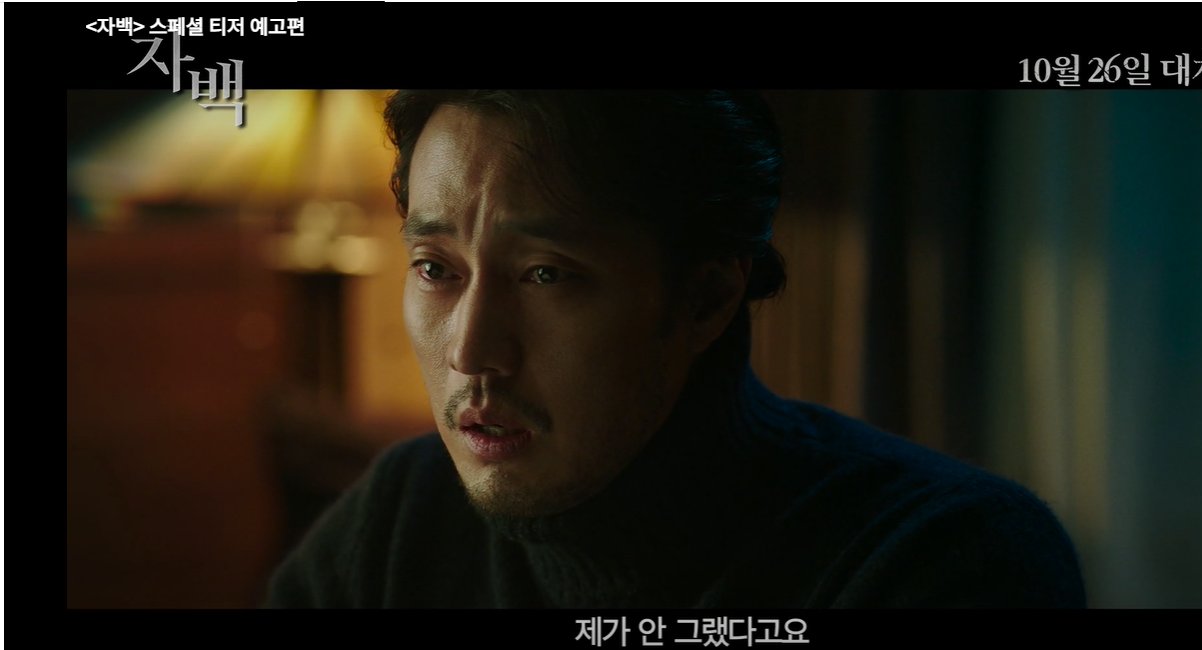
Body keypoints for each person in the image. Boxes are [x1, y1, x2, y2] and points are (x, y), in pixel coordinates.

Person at [265, 90, 1086, 608]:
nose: (472, 352)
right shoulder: (401, 520)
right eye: (436, 269)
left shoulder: (936, 558)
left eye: (547, 274)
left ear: (707, 297)